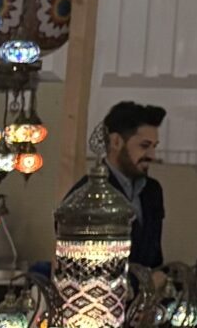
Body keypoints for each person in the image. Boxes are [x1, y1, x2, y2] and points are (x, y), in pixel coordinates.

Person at [62, 99, 167, 269]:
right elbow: (82, 267)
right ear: (116, 142)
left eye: (154, 146)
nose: (152, 155)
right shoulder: (87, 194)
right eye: (144, 146)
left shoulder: (152, 191)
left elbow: (154, 257)